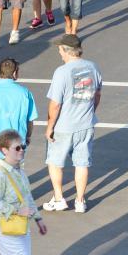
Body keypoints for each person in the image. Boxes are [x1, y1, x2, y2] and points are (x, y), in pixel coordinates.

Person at [44, 34, 102, 213]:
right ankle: (80, 200)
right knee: (82, 163)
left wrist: (50, 126)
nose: (59, 52)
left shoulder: (61, 72)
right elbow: (97, 94)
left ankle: (59, 198)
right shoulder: (93, 67)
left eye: (60, 49)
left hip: (64, 126)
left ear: (67, 51)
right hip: (86, 124)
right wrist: (91, 112)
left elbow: (55, 104)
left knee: (55, 162)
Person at [0, 58, 37, 196]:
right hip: (15, 147)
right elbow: (30, 120)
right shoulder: (24, 93)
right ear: (15, 73)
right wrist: (27, 137)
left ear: (0, 72)